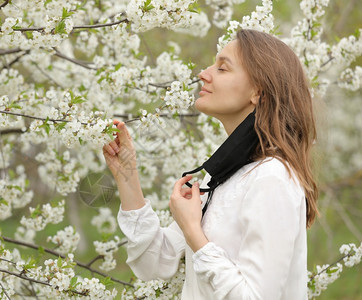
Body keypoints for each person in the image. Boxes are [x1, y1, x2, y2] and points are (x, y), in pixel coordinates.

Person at [102, 29, 318, 299]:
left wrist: (193, 231)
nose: (204, 73)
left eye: (222, 68)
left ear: (258, 92)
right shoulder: (223, 178)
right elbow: (152, 264)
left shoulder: (272, 178)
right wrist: (126, 174)